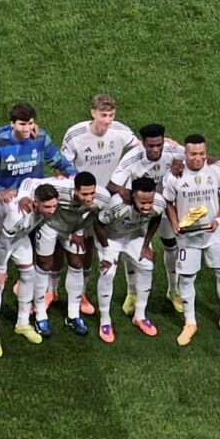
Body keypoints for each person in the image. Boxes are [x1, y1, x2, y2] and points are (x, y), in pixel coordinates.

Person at [60, 94, 139, 318]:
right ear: (93, 113)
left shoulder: (120, 131)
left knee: (93, 247)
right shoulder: (76, 135)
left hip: (106, 200)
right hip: (81, 201)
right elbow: (61, 166)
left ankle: (82, 292)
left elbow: (142, 147)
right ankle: (56, 290)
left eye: (111, 115)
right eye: (103, 115)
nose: (107, 120)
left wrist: (171, 144)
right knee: (75, 247)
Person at [161, 134, 220, 346]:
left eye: (202, 153)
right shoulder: (174, 177)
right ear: (185, 153)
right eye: (193, 154)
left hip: (214, 233)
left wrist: (218, 220)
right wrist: (174, 223)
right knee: (187, 278)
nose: (198, 158)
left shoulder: (216, 171)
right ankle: (190, 323)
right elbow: (168, 202)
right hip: (188, 237)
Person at [108, 123, 185, 315]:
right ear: (143, 144)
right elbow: (111, 184)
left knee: (171, 246)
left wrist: (181, 163)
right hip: (140, 209)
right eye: (151, 146)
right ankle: (132, 293)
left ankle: (173, 290)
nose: (156, 149)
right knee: (133, 250)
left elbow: (196, 156)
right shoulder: (132, 157)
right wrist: (122, 191)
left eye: (159, 145)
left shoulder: (174, 150)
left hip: (165, 206)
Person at [20, 171, 107, 338]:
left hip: (72, 229)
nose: (89, 198)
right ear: (75, 189)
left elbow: (95, 215)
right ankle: (40, 314)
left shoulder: (103, 198)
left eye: (92, 193)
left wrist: (79, 230)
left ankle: (73, 314)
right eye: (84, 194)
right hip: (49, 226)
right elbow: (29, 182)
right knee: (44, 264)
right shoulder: (60, 187)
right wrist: (23, 196)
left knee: (77, 263)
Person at [0, 182, 59, 356]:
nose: (52, 211)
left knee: (29, 273)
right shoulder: (17, 214)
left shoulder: (37, 198)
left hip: (19, 235)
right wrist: (1, 270)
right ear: (35, 203)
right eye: (47, 207)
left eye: (54, 206)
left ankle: (22, 323)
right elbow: (2, 244)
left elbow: (29, 181)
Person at [96, 176, 163, 340]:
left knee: (147, 265)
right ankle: (105, 320)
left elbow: (156, 218)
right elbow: (98, 224)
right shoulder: (117, 204)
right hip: (110, 237)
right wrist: (107, 250)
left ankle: (140, 316)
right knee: (108, 273)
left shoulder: (159, 203)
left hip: (134, 234)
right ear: (132, 196)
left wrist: (146, 245)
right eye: (142, 202)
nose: (147, 206)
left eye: (150, 202)